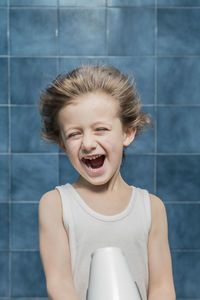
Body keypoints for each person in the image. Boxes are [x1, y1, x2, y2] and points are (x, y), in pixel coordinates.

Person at [38, 64, 176, 300]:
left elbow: (162, 287)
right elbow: (59, 284)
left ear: (127, 133)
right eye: (74, 134)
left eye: (100, 129)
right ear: (62, 144)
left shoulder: (152, 208)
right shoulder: (55, 205)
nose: (88, 143)